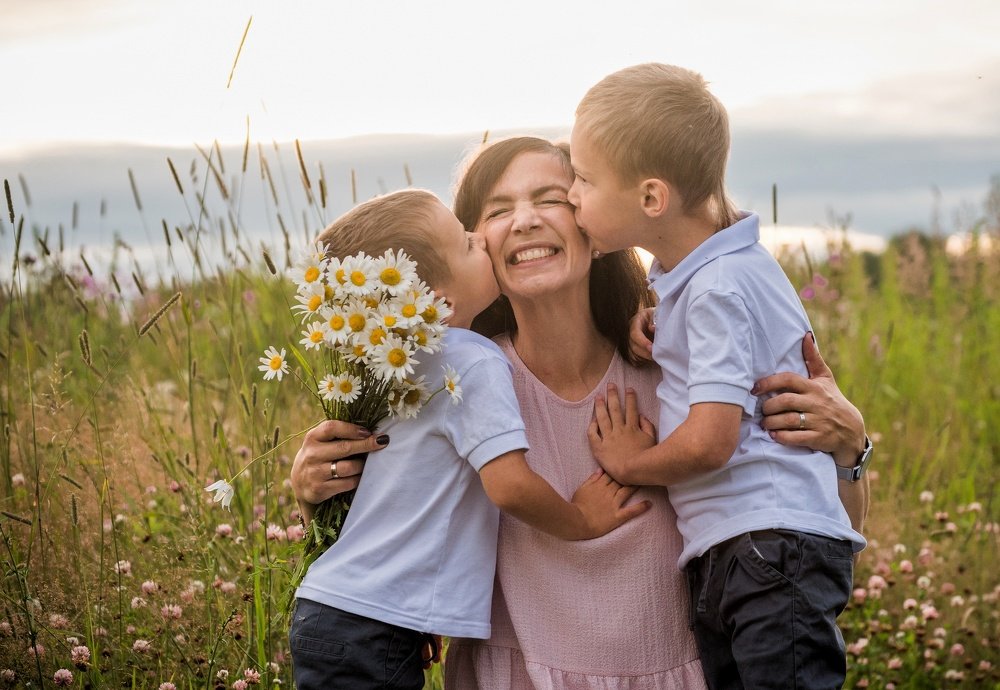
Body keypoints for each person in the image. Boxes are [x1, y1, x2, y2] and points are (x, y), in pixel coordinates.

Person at [290, 137, 870, 689]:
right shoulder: (445, 386)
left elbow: (811, 534)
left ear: (596, 226)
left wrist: (850, 452)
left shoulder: (685, 368)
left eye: (552, 199)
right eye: (498, 210)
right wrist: (319, 489)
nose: (525, 220)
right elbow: (382, 539)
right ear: (473, 245)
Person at [570, 63, 872, 689]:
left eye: (584, 179)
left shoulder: (717, 288)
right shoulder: (713, 276)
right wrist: (663, 329)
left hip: (765, 547)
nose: (572, 194)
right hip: (746, 547)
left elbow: (713, 441)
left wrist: (632, 464)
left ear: (652, 198)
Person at [288, 189, 649, 689]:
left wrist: (415, 610)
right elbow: (509, 486)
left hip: (340, 611)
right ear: (439, 302)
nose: (482, 237)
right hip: (370, 623)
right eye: (466, 242)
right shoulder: (473, 359)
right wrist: (581, 519)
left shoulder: (401, 372)